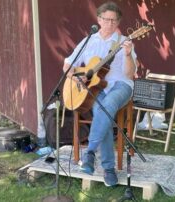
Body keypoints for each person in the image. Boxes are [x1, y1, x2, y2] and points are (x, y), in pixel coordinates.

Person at [62, 1, 137, 187]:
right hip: (96, 87)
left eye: (114, 20)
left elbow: (129, 74)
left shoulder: (124, 42)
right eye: (106, 19)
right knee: (101, 111)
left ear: (118, 22)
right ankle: (108, 168)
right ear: (98, 19)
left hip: (121, 86)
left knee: (107, 105)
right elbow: (67, 66)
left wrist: (127, 55)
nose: (110, 23)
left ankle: (90, 153)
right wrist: (78, 78)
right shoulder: (88, 40)